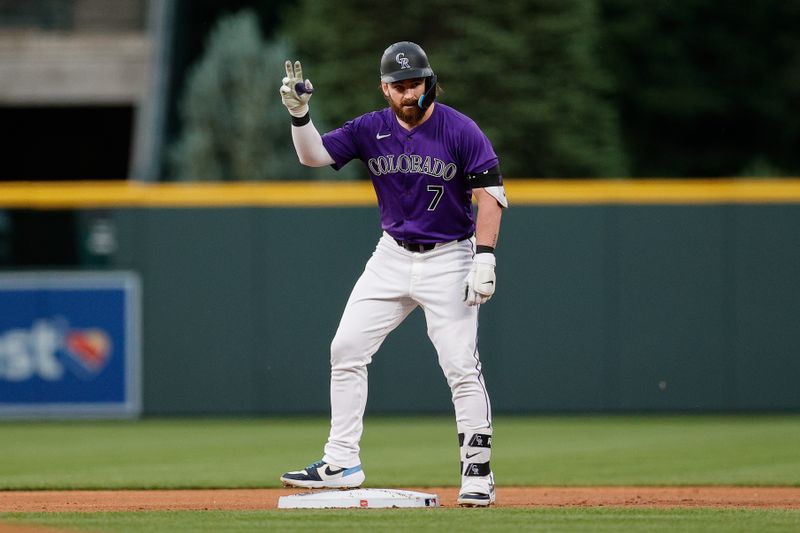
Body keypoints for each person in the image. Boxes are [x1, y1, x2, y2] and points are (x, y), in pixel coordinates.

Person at [278, 41, 508, 507]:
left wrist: (485, 256)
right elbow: (314, 157)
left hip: (450, 256)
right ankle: (341, 461)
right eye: (399, 85)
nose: (409, 93)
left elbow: (491, 195)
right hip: (391, 255)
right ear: (384, 88)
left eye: (416, 83)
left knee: (460, 364)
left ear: (429, 81)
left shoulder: (459, 129)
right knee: (345, 347)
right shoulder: (371, 128)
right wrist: (301, 116)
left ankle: (477, 470)